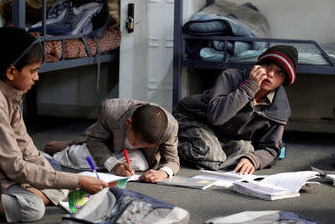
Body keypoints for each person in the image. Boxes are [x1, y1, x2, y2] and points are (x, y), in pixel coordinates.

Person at [0, 27, 108, 223]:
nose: (37, 77)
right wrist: (76, 181)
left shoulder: (11, 95)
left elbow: (28, 150)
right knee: (33, 207)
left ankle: (36, 191)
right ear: (11, 72)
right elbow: (15, 168)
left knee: (49, 164)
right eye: (33, 71)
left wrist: (65, 182)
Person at [173, 45, 298, 174]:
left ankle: (211, 153)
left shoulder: (280, 109)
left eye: (279, 72)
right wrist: (250, 87)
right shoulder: (232, 77)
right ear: (258, 66)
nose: (270, 74)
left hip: (224, 135)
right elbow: (216, 117)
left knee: (246, 151)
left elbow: (271, 149)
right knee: (212, 155)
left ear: (284, 81)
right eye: (268, 65)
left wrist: (253, 160)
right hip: (193, 118)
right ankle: (172, 144)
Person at [44, 98, 180, 183]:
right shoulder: (113, 110)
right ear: (128, 123)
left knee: (141, 165)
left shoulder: (170, 127)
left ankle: (79, 143)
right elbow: (96, 140)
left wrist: (163, 173)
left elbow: (173, 160)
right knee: (78, 156)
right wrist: (113, 165)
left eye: (144, 145)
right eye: (135, 142)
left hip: (137, 157)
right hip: (108, 141)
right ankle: (72, 145)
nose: (137, 146)